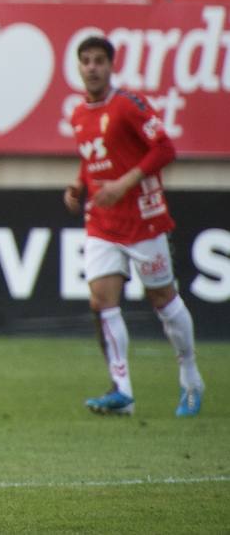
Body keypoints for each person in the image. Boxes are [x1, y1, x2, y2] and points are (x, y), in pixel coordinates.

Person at [63, 34, 203, 418]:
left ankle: (190, 376)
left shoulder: (128, 105)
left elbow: (165, 149)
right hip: (102, 223)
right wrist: (80, 184)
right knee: (100, 302)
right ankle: (122, 390)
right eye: (86, 61)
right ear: (78, 66)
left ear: (111, 67)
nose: (92, 67)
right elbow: (93, 160)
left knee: (163, 301)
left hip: (143, 220)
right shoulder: (78, 114)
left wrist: (124, 183)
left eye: (99, 61)